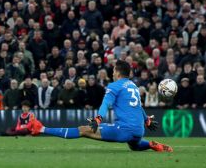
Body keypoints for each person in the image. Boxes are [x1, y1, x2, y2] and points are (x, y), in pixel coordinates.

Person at [28, 60, 173, 152]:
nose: (112, 72)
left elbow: (105, 104)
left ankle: (41, 128)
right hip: (139, 130)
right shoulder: (133, 85)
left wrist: (98, 119)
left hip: (124, 129)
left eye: (114, 69)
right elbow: (138, 107)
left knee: (83, 130)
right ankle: (151, 145)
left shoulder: (115, 86)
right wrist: (146, 120)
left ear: (117, 72)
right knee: (134, 146)